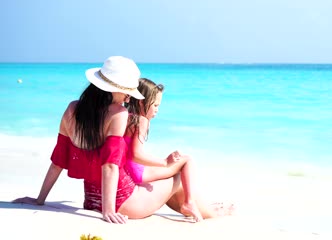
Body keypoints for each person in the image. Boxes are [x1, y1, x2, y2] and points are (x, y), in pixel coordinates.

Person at [12, 56, 230, 224]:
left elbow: (59, 159)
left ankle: (193, 206)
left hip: (91, 200)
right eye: (127, 91)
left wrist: (40, 199)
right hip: (124, 202)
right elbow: (110, 165)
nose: (130, 97)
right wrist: (109, 211)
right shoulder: (118, 113)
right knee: (178, 178)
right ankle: (210, 212)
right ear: (114, 88)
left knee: (165, 184)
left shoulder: (72, 108)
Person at [124, 78, 203, 222]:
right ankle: (189, 202)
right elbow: (135, 154)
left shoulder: (123, 117)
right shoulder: (141, 121)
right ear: (142, 102)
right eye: (155, 105)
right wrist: (165, 162)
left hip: (127, 171)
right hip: (136, 173)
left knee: (171, 167)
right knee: (186, 161)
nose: (157, 110)